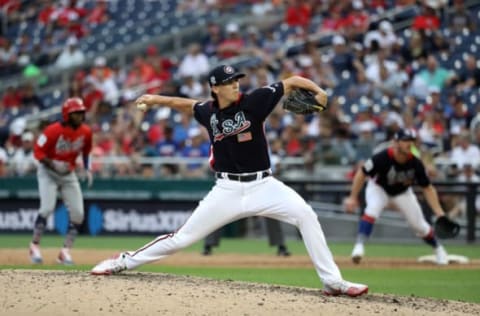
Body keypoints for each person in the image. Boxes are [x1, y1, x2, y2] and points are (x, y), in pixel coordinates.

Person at [91, 64, 368, 297]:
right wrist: (155, 99)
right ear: (215, 88)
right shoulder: (208, 112)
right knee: (181, 238)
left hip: (264, 186)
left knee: (306, 215)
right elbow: (186, 105)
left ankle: (332, 281)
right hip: (227, 189)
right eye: (228, 82)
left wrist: (319, 92)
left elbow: (293, 81)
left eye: (236, 80)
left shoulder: (256, 100)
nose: (235, 85)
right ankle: (123, 262)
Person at [343, 128, 450, 265]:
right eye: (405, 140)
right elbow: (362, 173)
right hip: (379, 188)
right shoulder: (382, 157)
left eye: (411, 140)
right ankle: (359, 246)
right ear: (396, 142)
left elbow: (427, 188)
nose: (409, 143)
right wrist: (352, 197)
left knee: (419, 225)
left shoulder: (416, 163)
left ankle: (439, 248)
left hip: (402, 192)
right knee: (372, 210)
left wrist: (439, 212)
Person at [29, 97, 93, 265]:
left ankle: (65, 252)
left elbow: (86, 151)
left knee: (79, 214)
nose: (79, 116)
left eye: (81, 112)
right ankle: (34, 245)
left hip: (68, 174)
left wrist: (87, 168)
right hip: (48, 172)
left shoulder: (86, 131)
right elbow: (38, 152)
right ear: (66, 114)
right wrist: (52, 163)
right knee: (47, 208)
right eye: (75, 113)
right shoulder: (52, 130)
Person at [202, 218, 291, 257]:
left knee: (271, 211)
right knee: (218, 209)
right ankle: (208, 245)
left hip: (256, 186)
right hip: (234, 186)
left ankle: (281, 246)